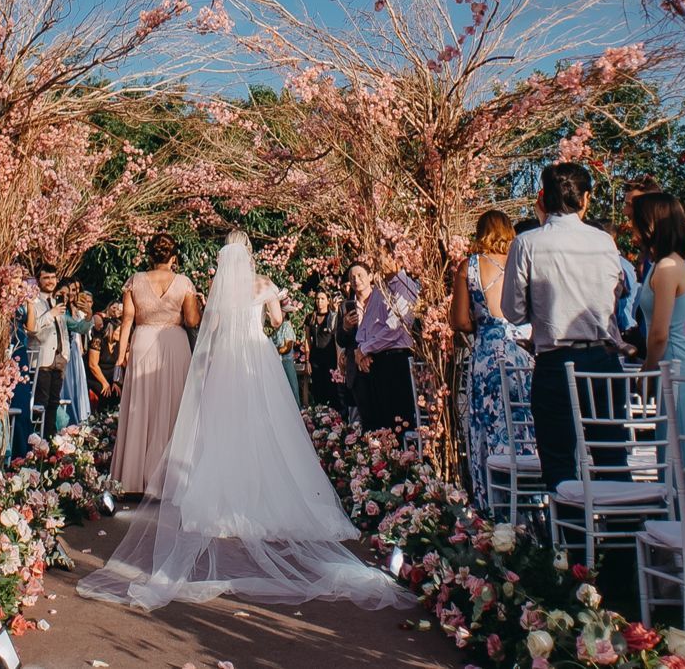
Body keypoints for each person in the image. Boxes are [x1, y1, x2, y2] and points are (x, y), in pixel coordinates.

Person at [77, 231, 407, 612]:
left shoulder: (220, 290)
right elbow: (277, 321)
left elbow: (211, 328)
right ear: (249, 255)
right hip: (257, 358)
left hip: (227, 362)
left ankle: (226, 495)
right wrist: (270, 315)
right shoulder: (264, 284)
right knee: (267, 427)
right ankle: (264, 492)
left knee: (224, 429)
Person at [501, 162, 625, 490]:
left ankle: (567, 524)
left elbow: (513, 312)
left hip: (555, 361)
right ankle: (623, 520)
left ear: (544, 198)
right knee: (612, 454)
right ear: (585, 198)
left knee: (558, 463)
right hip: (603, 359)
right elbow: (615, 296)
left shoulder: (527, 243)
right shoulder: (604, 242)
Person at [450, 209, 534, 507]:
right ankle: (532, 499)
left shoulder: (469, 266)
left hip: (488, 354)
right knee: (523, 421)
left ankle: (494, 505)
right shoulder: (521, 263)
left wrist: (483, 325)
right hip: (522, 351)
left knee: (488, 425)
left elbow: (459, 320)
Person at [631, 192, 685, 470]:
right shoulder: (664, 263)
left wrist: (646, 371)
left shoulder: (668, 266)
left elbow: (660, 333)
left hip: (679, 369)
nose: (631, 226)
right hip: (673, 366)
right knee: (674, 460)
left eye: (635, 220)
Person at [110, 234, 201, 498]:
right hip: (174, 344)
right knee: (173, 407)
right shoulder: (184, 283)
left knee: (141, 408)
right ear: (173, 257)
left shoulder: (135, 281)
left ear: (150, 255)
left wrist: (120, 358)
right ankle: (170, 479)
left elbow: (127, 320)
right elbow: (192, 321)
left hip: (143, 342)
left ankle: (134, 479)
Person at [354, 262, 419, 435]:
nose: (377, 262)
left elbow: (396, 327)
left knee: (398, 420)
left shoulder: (405, 285)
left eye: (380, 256)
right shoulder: (380, 287)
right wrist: (362, 349)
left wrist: (366, 348)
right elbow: (367, 323)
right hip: (377, 359)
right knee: (379, 422)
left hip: (396, 358)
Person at [27, 261, 68, 440]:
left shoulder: (57, 301)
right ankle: (36, 442)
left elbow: (64, 330)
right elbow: (32, 329)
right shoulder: (34, 302)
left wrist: (66, 354)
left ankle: (49, 442)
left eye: (53, 277)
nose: (50, 281)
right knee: (41, 402)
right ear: (38, 280)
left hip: (59, 358)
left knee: (54, 402)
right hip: (42, 359)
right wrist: (51, 314)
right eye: (46, 277)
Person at [337, 267, 368, 423]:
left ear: (370, 277)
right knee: (356, 420)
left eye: (360, 275)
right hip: (355, 371)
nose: (356, 280)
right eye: (352, 277)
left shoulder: (380, 301)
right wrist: (345, 327)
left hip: (376, 365)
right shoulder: (345, 306)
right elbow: (340, 340)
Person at [61, 288, 94, 428]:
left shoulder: (71, 313)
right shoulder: (59, 310)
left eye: (74, 290)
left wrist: (89, 315)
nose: (70, 294)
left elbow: (80, 328)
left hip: (72, 349)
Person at [307, 289, 341, 413]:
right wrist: (307, 360)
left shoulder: (331, 316)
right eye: (317, 299)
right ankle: (319, 415)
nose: (319, 302)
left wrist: (339, 360)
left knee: (331, 389)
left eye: (322, 299)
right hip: (315, 358)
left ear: (327, 301)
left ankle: (334, 415)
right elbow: (307, 340)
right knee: (317, 389)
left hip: (330, 357)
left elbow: (336, 339)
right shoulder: (310, 317)